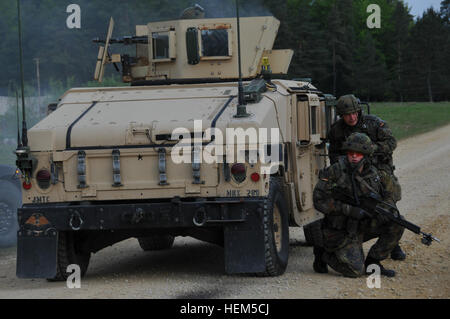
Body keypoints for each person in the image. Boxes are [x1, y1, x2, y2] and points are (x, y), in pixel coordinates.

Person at [312, 133, 404, 278]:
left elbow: (393, 193)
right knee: (354, 271)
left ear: (366, 155)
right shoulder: (335, 171)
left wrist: (383, 208)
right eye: (351, 153)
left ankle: (373, 262)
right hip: (340, 230)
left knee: (396, 222)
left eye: (359, 154)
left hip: (362, 225)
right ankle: (323, 252)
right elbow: (319, 200)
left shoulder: (375, 172)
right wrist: (348, 209)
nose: (354, 156)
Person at [326, 94, 405, 261]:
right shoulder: (337, 130)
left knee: (387, 203)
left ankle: (393, 243)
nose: (352, 117)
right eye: (347, 115)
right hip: (353, 170)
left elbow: (391, 143)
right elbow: (333, 153)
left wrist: (369, 149)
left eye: (354, 113)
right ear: (341, 115)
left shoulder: (373, 123)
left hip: (379, 169)